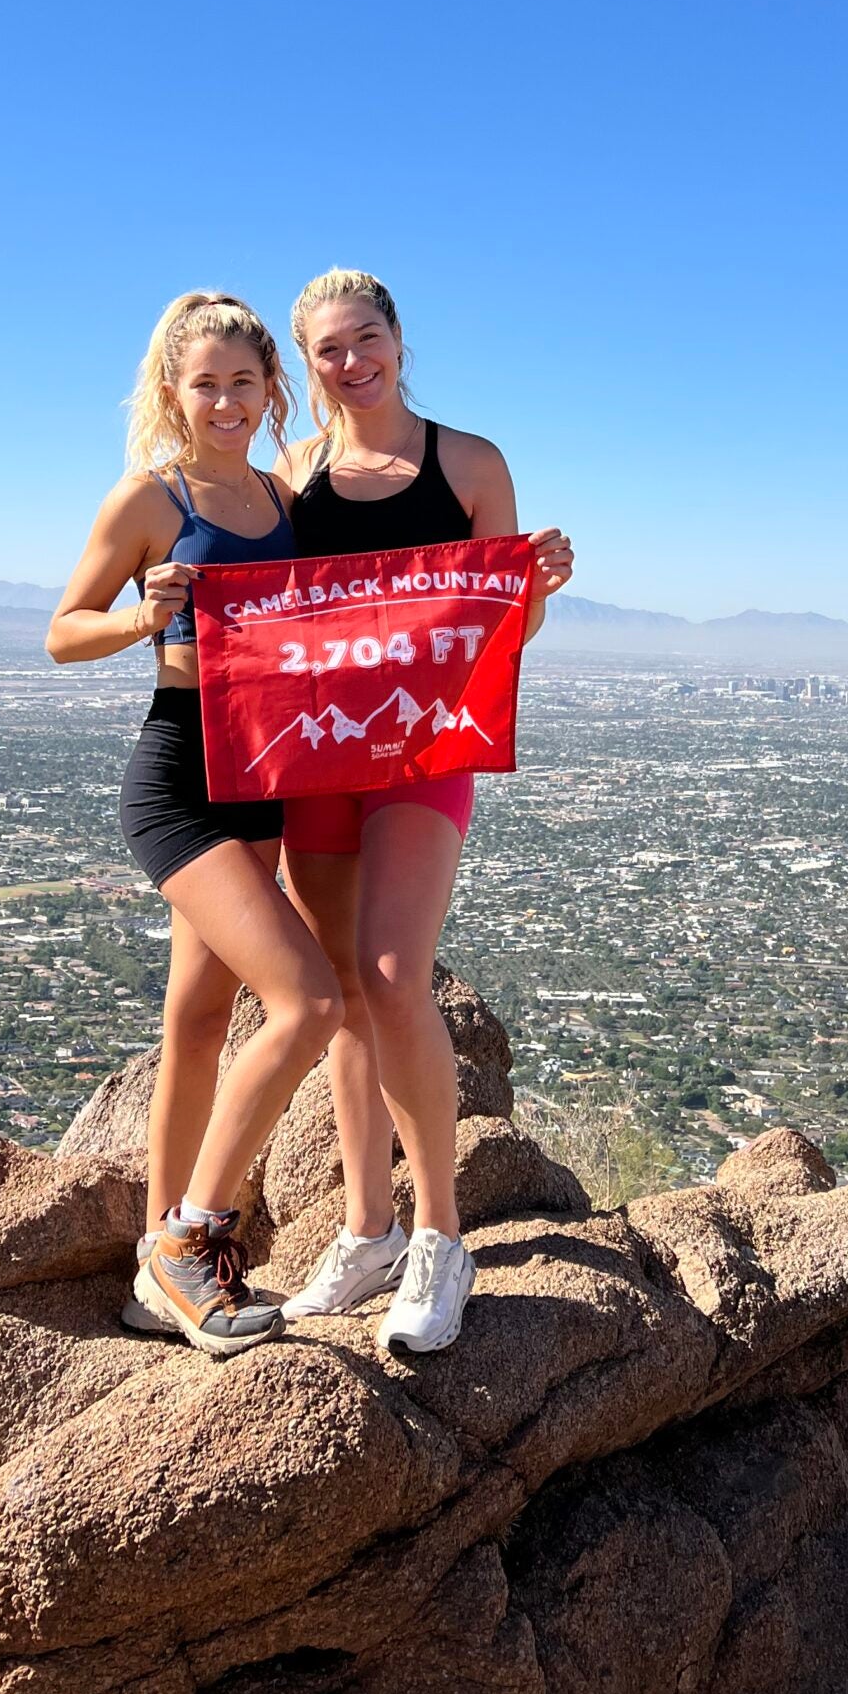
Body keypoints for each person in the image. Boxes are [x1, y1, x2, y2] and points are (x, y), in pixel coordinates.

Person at [274, 269, 572, 1353]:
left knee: (397, 972)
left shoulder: (469, 463)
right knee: (347, 990)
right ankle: (367, 1231)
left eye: (366, 339)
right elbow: (266, 615)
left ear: (400, 339)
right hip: (316, 754)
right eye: (328, 351)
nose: (352, 363)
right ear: (306, 366)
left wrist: (536, 588)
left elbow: (498, 636)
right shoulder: (294, 473)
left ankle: (443, 1239)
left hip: (426, 748)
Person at [46, 292, 342, 1355]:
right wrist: (142, 613)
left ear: (270, 389)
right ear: (174, 389)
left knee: (196, 1021)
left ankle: (150, 1273)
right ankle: (192, 1240)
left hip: (265, 769)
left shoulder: (284, 490)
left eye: (242, 381)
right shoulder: (150, 499)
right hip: (181, 774)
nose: (223, 398)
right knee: (306, 1001)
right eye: (203, 381)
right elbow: (61, 632)